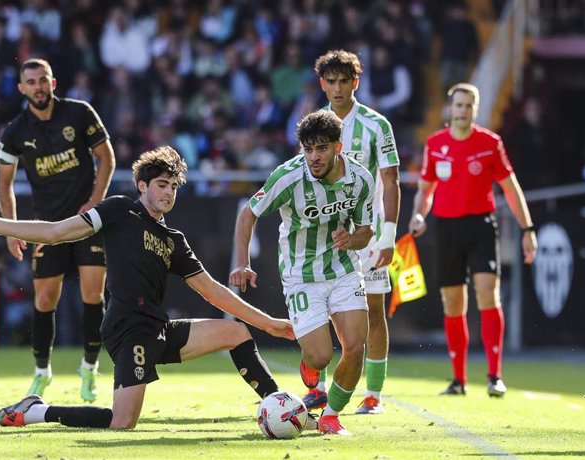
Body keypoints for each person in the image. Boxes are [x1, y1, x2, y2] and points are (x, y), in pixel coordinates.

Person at [0, 146, 299, 430]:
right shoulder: (120, 210)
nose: (168, 192)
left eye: (174, 187)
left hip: (157, 328)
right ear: (142, 185)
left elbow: (211, 290)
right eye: (162, 184)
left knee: (236, 333)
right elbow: (56, 232)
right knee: (122, 424)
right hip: (128, 328)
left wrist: (268, 324)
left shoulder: (173, 240)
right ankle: (35, 411)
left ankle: (283, 408)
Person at [230, 110, 375, 435]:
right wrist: (242, 262)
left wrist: (351, 239)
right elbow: (248, 214)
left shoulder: (361, 178)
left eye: (321, 148)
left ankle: (331, 416)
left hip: (343, 268)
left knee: (355, 345)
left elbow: (366, 231)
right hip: (301, 274)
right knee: (321, 356)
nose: (313, 156)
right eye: (308, 149)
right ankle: (310, 364)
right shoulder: (288, 176)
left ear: (338, 147)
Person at [0, 58, 116, 402]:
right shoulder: (16, 131)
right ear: (22, 88)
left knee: (93, 295)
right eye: (31, 81)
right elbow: (4, 183)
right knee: (45, 299)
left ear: (54, 82)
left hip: (87, 222)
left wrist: (95, 201)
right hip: (45, 226)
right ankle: (41, 372)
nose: (38, 86)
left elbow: (106, 157)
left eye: (43, 80)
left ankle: (89, 369)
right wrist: (12, 228)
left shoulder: (79, 113)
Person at [408, 83, 537, 397]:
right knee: (453, 303)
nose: (463, 110)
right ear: (451, 109)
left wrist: (527, 230)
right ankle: (459, 380)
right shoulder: (436, 144)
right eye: (459, 105)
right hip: (447, 228)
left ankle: (495, 375)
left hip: (480, 226)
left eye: (469, 106)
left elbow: (511, 187)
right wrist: (418, 215)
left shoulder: (490, 143)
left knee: (486, 293)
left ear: (476, 110)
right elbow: (425, 191)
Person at [301, 49, 401, 416]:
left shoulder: (377, 125)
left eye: (345, 80)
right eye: (331, 81)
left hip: (367, 232)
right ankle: (319, 390)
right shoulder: (314, 125)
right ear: (322, 84)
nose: (338, 87)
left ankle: (373, 394)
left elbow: (390, 180)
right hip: (324, 233)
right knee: (324, 310)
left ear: (356, 82)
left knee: (374, 308)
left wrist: (388, 234)